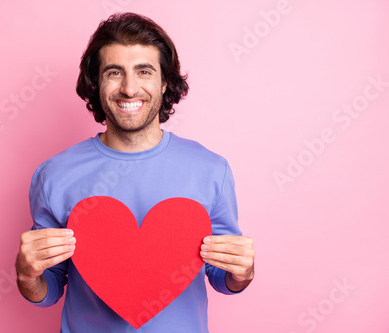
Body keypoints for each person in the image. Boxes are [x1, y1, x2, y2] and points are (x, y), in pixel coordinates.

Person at [15, 12, 255, 332]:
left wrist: (242, 273)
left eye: (144, 71)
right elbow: (51, 286)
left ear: (164, 81)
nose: (130, 88)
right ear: (96, 82)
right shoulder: (55, 174)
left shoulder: (210, 170)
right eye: (115, 72)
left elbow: (222, 278)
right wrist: (26, 276)